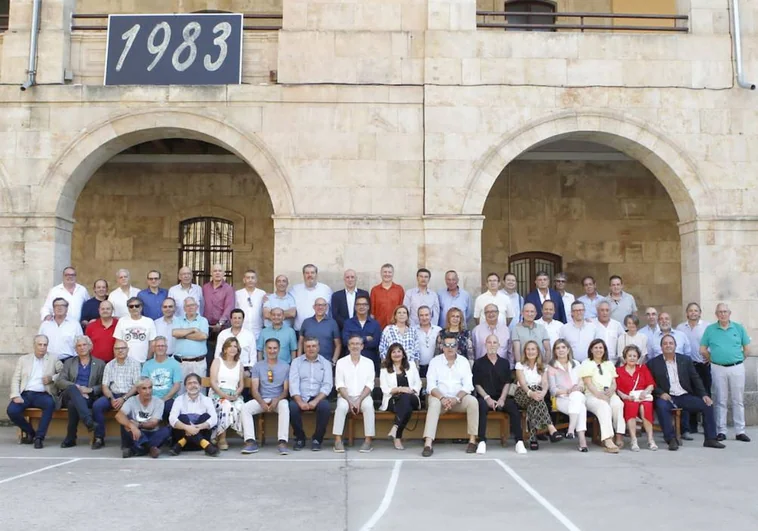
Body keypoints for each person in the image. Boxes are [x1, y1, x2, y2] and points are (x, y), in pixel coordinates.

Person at [650, 334, 725, 450]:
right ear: (661, 347)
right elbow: (650, 383)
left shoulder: (685, 360)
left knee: (707, 404)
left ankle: (710, 439)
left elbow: (695, 378)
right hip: (667, 396)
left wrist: (704, 395)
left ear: (675, 346)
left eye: (671, 343)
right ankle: (671, 439)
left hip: (684, 395)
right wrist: (660, 393)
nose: (668, 346)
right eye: (665, 344)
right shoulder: (653, 363)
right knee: (661, 405)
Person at [700, 303, 751, 442]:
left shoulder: (738, 328)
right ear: (716, 314)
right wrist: (713, 360)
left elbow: (747, 348)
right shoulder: (710, 330)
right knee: (720, 400)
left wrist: (738, 359)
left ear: (730, 313)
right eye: (720, 312)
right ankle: (721, 431)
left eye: (725, 311)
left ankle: (740, 431)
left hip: (736, 367)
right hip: (718, 368)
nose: (723, 314)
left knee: (738, 400)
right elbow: (703, 349)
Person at [422, 333, 478, 457]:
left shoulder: (463, 362)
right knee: (434, 404)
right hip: (440, 399)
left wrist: (456, 398)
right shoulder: (435, 361)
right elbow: (431, 386)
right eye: (447, 345)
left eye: (453, 345)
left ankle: (473, 440)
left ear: (457, 347)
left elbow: (468, 385)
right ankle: (428, 443)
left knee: (473, 401)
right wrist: (442, 398)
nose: (450, 348)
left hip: (458, 400)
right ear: (442, 347)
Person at [473, 334, 526, 454]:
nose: (492, 345)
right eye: (489, 342)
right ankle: (481, 441)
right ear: (485, 345)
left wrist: (502, 398)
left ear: (499, 345)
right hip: (485, 397)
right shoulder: (479, 363)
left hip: (501, 396)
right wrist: (487, 398)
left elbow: (507, 382)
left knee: (512, 406)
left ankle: (519, 441)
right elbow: (477, 384)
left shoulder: (504, 363)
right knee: (481, 406)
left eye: (494, 342)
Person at [6, 335, 61, 449]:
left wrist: (52, 378)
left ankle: (39, 438)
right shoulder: (24, 360)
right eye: (39, 344)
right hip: (25, 394)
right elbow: (16, 378)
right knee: (12, 411)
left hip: (43, 394)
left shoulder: (53, 358)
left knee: (50, 404)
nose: (42, 347)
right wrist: (15, 395)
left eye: (45, 345)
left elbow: (63, 374)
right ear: (34, 345)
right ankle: (31, 432)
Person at [241, 338, 291, 455]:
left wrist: (277, 400)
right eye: (269, 348)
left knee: (285, 405)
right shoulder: (258, 366)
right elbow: (254, 389)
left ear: (279, 350)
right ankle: (250, 441)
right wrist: (262, 403)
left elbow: (286, 390)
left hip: (278, 399)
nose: (272, 351)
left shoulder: (285, 366)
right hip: (262, 398)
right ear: (265, 349)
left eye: (275, 348)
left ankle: (282, 442)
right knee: (245, 408)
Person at [56, 335, 106, 448]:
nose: (82, 347)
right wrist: (77, 387)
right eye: (79, 345)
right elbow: (60, 381)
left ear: (90, 347)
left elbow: (103, 384)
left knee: (73, 404)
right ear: (75, 348)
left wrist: (90, 390)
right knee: (73, 389)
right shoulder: (69, 362)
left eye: (84, 345)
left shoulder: (99, 364)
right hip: (68, 394)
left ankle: (71, 437)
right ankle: (88, 420)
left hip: (88, 397)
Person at [92, 339, 141, 449]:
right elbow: (105, 386)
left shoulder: (135, 364)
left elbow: (136, 386)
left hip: (128, 396)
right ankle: (99, 438)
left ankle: (126, 444)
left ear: (127, 350)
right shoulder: (109, 365)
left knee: (125, 409)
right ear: (114, 351)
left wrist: (123, 398)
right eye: (117, 348)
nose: (120, 351)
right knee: (97, 406)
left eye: (123, 348)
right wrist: (111, 398)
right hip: (112, 395)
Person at [514, 340, 563, 450]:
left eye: (533, 349)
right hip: (522, 394)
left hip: (537, 396)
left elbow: (545, 383)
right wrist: (531, 393)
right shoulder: (519, 365)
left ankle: (533, 439)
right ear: (525, 351)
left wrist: (544, 392)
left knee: (534, 404)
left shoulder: (543, 366)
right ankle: (551, 428)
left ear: (537, 352)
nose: (530, 352)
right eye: (528, 349)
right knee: (536, 392)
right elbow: (522, 383)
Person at [580, 339, 625, 453]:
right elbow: (588, 383)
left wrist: (611, 390)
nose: (598, 350)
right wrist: (600, 395)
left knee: (618, 404)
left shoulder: (609, 364)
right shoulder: (586, 363)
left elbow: (614, 382)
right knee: (603, 406)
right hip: (593, 395)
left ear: (604, 350)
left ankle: (619, 435)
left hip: (609, 393)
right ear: (591, 349)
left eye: (601, 348)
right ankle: (607, 439)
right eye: (596, 347)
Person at [289, 337, 333, 451]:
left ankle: (317, 439)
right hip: (301, 396)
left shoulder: (326, 363)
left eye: (313, 346)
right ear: (304, 348)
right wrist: (299, 401)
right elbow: (293, 384)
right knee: (292, 407)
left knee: (325, 407)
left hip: (318, 397)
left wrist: (315, 401)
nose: (311, 349)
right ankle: (300, 438)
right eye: (308, 346)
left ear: (318, 348)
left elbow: (327, 385)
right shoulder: (296, 362)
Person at [333, 335, 376, 453]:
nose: (355, 346)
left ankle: (368, 441)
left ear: (362, 346)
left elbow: (369, 384)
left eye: (358, 344)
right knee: (341, 407)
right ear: (348, 346)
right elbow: (340, 384)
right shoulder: (341, 362)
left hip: (363, 396)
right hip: (345, 396)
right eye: (352, 344)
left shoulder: (369, 363)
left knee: (368, 406)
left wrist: (358, 400)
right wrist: (350, 401)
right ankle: (337, 440)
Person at [676, 302, 711, 435]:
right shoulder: (680, 328)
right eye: (691, 310)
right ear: (687, 313)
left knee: (705, 393)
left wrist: (710, 356)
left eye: (696, 311)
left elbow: (712, 342)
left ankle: (707, 424)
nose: (693, 313)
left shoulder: (707, 326)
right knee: (689, 394)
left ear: (700, 313)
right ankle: (692, 425)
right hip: (686, 366)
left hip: (702, 364)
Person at [547, 339, 588, 452]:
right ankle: (582, 440)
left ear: (568, 349)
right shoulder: (551, 367)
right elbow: (553, 390)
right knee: (581, 408)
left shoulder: (576, 364)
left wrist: (578, 388)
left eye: (563, 347)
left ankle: (571, 429)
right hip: (561, 399)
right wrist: (568, 391)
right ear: (554, 351)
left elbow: (581, 383)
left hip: (578, 396)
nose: (561, 350)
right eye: (558, 348)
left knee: (576, 395)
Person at [380, 343, 422, 451]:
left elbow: (418, 383)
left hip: (412, 397)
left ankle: (396, 429)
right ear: (390, 355)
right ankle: (397, 435)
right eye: (393, 352)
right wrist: (400, 389)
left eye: (399, 351)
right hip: (393, 399)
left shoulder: (411, 365)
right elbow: (384, 388)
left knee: (406, 398)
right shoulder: (385, 368)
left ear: (403, 354)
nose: (396, 354)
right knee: (405, 406)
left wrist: (410, 390)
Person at [615, 345, 657, 451]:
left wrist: (645, 392)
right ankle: (634, 440)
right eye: (630, 355)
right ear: (625, 357)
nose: (632, 358)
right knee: (631, 406)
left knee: (645, 407)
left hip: (643, 397)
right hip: (628, 398)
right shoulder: (619, 370)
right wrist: (626, 396)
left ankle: (650, 439)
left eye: (635, 355)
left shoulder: (642, 368)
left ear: (638, 357)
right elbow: (617, 388)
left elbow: (651, 384)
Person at [115, 377, 171, 458]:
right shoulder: (131, 400)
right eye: (144, 388)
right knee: (126, 425)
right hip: (136, 433)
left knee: (166, 430)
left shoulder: (159, 402)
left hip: (151, 432)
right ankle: (150, 448)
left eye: (150, 388)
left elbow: (153, 424)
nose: (148, 391)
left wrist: (138, 425)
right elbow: (118, 416)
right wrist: (132, 426)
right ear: (138, 390)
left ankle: (135, 450)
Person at [168, 373, 219, 457]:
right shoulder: (179, 400)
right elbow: (172, 419)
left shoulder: (207, 400)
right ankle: (206, 445)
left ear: (200, 385)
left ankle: (181, 443)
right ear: (185, 386)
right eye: (189, 383)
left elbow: (214, 419)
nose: (192, 385)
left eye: (195, 383)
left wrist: (198, 427)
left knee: (206, 416)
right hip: (200, 444)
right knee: (182, 417)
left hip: (189, 444)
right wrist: (187, 427)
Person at [209, 337, 245, 451]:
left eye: (235, 346)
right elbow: (213, 382)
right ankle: (222, 438)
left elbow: (241, 385)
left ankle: (248, 438)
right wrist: (223, 395)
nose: (233, 349)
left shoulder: (239, 364)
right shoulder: (217, 361)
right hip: (217, 394)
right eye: (230, 346)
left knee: (242, 406)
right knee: (226, 405)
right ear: (225, 349)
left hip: (233, 394)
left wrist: (236, 394)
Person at [202, 264, 235, 369]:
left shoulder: (228, 289)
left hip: (222, 327)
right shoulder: (205, 288)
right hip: (206, 327)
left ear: (223, 273)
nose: (217, 273)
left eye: (220, 271)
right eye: (215, 271)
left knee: (222, 354)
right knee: (207, 356)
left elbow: (229, 307)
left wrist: (220, 323)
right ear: (211, 273)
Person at [141, 336, 182, 420]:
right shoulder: (147, 365)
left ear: (166, 348)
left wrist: (164, 399)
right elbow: (143, 384)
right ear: (153, 348)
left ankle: (169, 431)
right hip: (150, 398)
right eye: (158, 346)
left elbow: (177, 385)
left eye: (162, 346)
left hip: (168, 398)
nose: (160, 348)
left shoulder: (175, 364)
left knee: (170, 409)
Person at [342, 295, 382, 375]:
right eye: (359, 304)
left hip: (370, 360)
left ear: (368, 307)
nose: (361, 307)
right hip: (351, 362)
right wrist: (365, 338)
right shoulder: (348, 323)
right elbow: (345, 341)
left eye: (364, 304)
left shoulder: (375, 324)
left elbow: (375, 343)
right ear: (355, 307)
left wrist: (354, 342)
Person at [172, 297, 210, 379]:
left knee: (199, 389)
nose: (190, 307)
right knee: (180, 390)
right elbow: (175, 333)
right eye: (188, 306)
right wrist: (193, 329)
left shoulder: (203, 320)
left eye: (192, 305)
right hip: (181, 363)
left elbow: (203, 336)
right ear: (184, 308)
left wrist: (183, 335)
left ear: (197, 307)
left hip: (198, 363)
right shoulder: (177, 320)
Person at [112, 297, 157, 364]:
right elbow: (118, 342)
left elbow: (152, 342)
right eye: (131, 306)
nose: (134, 308)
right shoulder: (122, 321)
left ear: (141, 307)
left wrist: (148, 358)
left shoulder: (149, 321)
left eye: (137, 306)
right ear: (128, 308)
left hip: (143, 361)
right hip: (125, 362)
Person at [299, 297, 341, 365]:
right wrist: (299, 360)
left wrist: (334, 361)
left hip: (326, 362)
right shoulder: (306, 322)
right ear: (314, 307)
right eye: (318, 305)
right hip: (307, 362)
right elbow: (300, 343)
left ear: (326, 307)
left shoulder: (332, 323)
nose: (320, 307)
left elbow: (338, 344)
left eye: (323, 305)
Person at [292, 264, 333, 332]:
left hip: (321, 331)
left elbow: (331, 311)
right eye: (307, 273)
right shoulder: (295, 289)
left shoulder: (326, 289)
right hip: (300, 331)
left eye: (312, 272)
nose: (310, 275)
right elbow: (284, 298)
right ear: (303, 275)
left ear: (316, 274)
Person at [370, 263, 405, 329]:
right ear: (381, 273)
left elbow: (402, 308)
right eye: (385, 272)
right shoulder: (374, 290)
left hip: (396, 326)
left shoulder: (399, 289)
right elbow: (372, 312)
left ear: (393, 274)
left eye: (389, 272)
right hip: (379, 327)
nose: (387, 274)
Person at [235, 269, 266, 338]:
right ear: (244, 280)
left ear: (256, 280)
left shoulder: (262, 293)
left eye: (252, 278)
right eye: (248, 278)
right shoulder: (238, 294)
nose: (250, 280)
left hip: (258, 330)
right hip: (242, 330)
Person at [414, 305, 442, 378]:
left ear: (431, 315)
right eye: (421, 315)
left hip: (435, 367)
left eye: (426, 315)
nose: (424, 318)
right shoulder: (413, 330)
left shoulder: (438, 330)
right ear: (418, 316)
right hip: (417, 367)